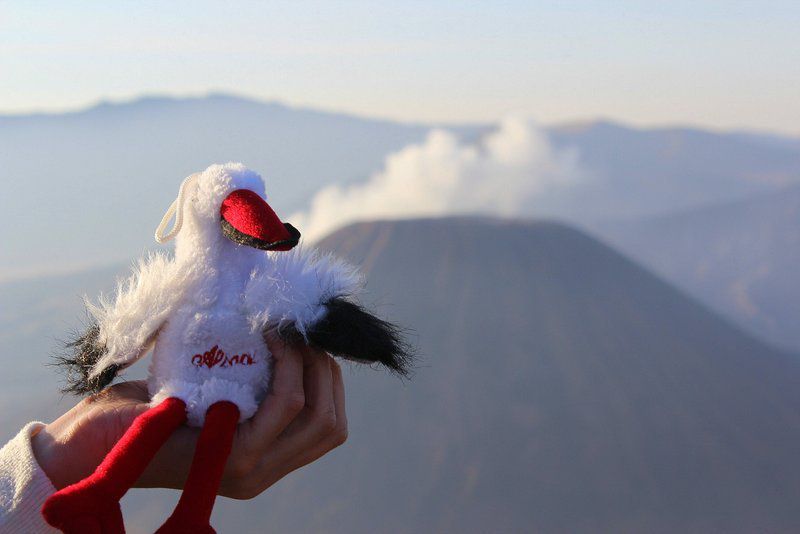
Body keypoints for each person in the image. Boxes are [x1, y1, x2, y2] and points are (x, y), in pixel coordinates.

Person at [0, 338, 347, 533]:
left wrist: (60, 460)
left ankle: (184, 518)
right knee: (188, 419)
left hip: (195, 392)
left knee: (204, 417)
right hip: (188, 392)